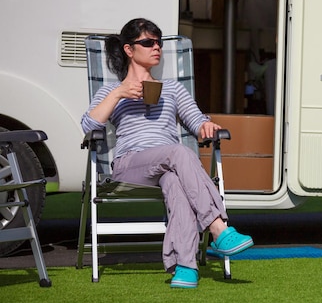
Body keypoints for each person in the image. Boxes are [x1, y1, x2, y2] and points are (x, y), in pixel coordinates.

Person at [81, 18, 253, 289]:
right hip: (130, 165)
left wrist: (206, 125)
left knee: (176, 181)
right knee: (178, 152)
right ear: (129, 49)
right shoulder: (111, 91)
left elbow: (196, 122)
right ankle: (219, 228)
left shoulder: (172, 89)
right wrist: (119, 94)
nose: (156, 47)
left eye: (159, 43)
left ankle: (184, 267)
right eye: (148, 42)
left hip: (167, 167)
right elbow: (88, 126)